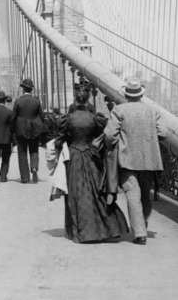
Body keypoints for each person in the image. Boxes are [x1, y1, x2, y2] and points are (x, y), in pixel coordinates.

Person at [58, 88, 128, 243]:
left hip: (74, 155)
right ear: (88, 98)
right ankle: (108, 228)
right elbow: (104, 135)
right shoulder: (95, 118)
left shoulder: (68, 119)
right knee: (96, 190)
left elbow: (61, 137)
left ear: (75, 99)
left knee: (75, 192)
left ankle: (80, 232)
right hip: (90, 155)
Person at [104, 79, 165, 245]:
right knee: (145, 194)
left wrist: (114, 147)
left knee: (132, 194)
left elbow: (109, 135)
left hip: (127, 159)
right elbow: (163, 133)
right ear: (141, 94)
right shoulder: (152, 111)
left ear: (126, 94)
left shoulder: (119, 110)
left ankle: (139, 233)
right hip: (149, 161)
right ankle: (143, 224)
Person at [12, 78, 45, 183]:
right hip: (34, 130)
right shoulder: (36, 101)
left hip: (21, 130)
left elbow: (13, 117)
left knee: (22, 153)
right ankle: (34, 167)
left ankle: (25, 177)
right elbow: (42, 116)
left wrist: (12, 130)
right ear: (31, 89)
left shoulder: (18, 101)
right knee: (34, 150)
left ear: (23, 89)